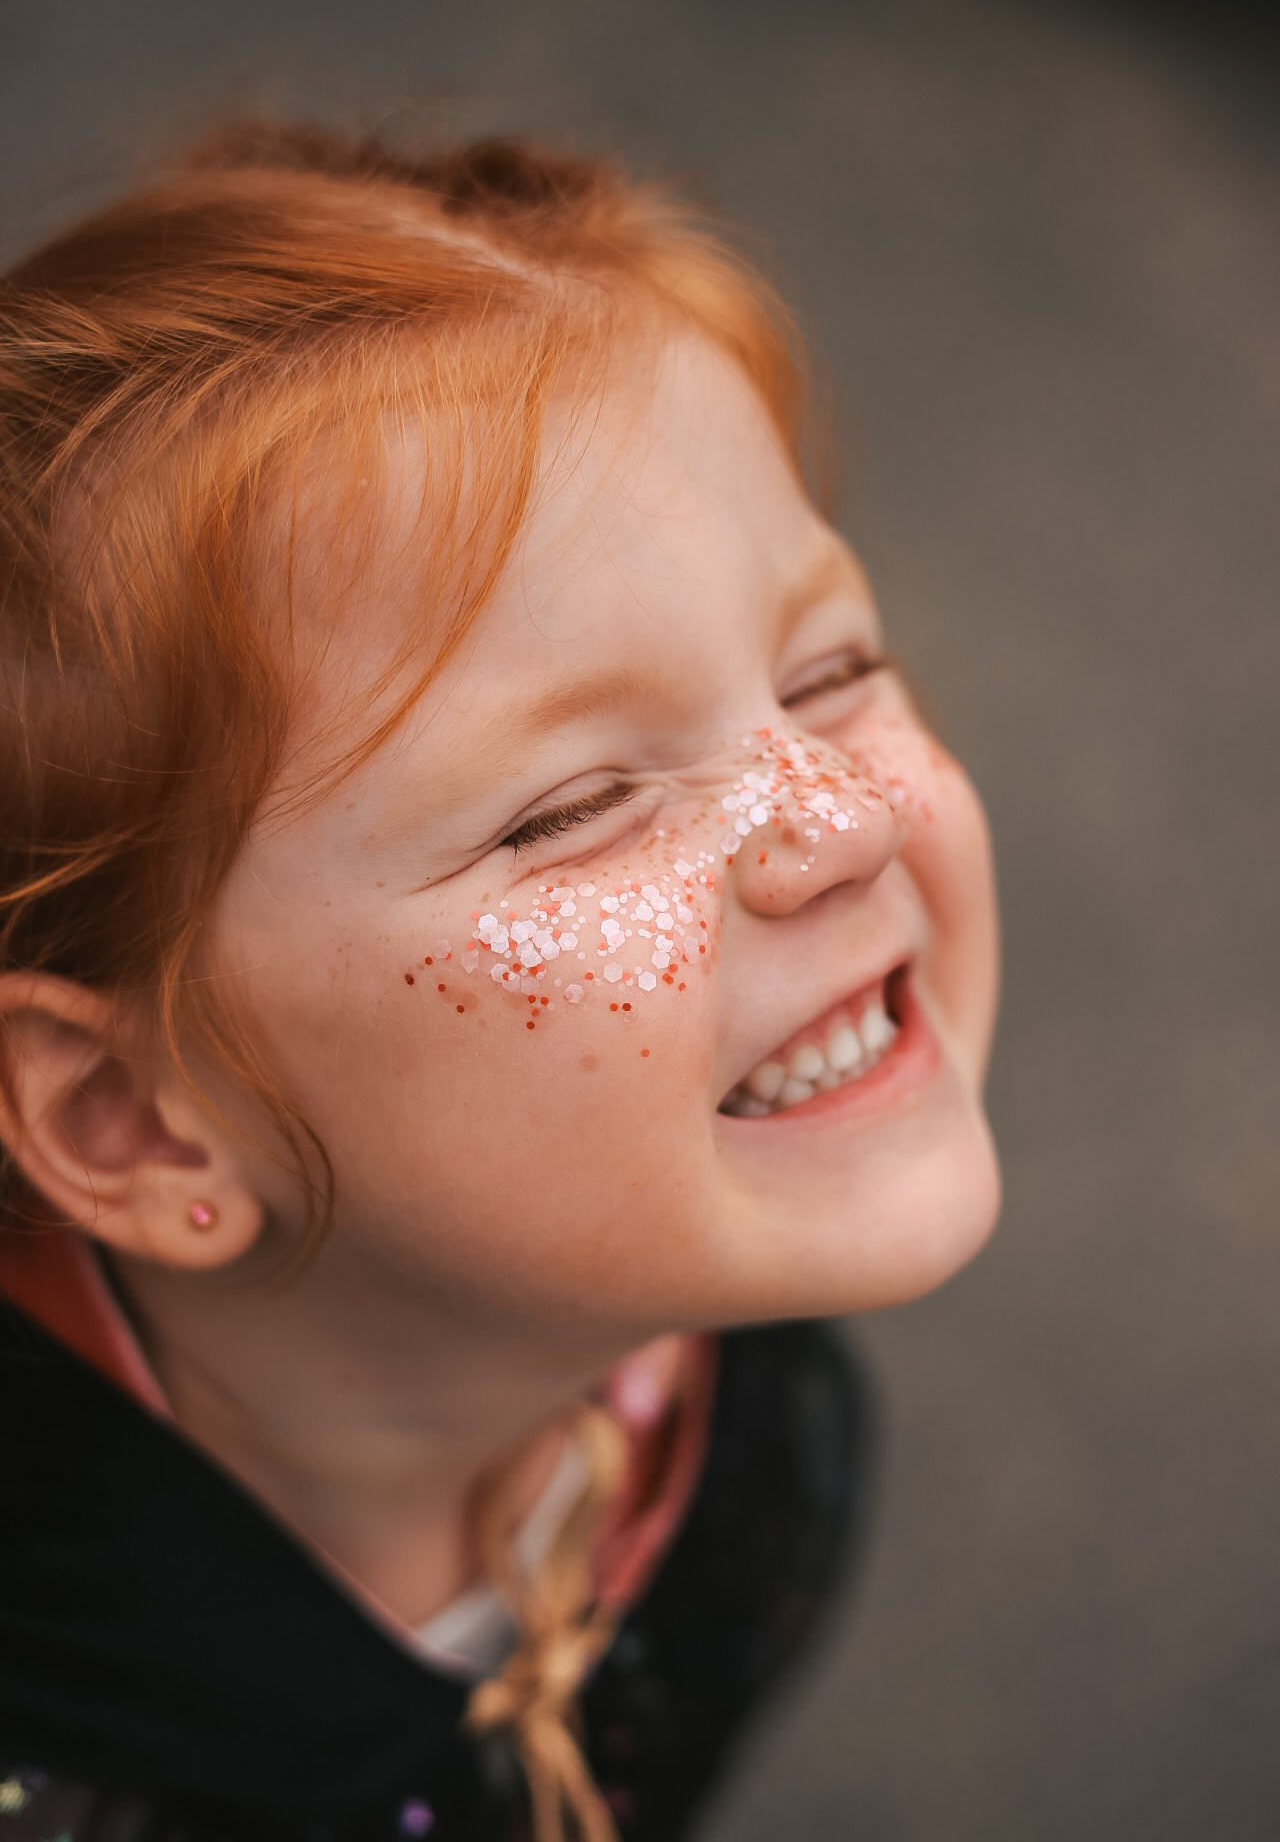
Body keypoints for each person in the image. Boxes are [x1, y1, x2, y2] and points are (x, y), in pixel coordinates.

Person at [0, 126, 1001, 1842]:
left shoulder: (733, 1411)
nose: (836, 824)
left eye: (828, 671)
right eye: (576, 805)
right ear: (137, 1120)